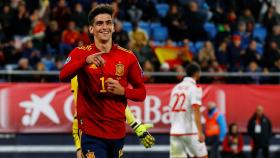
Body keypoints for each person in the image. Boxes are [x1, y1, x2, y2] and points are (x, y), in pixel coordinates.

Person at [60, 4, 154, 158]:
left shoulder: (128, 57)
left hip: (117, 133)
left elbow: (141, 93)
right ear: (91, 29)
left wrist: (123, 91)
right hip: (91, 132)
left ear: (113, 27)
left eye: (108, 22)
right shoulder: (80, 53)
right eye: (99, 23)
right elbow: (63, 75)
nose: (105, 27)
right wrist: (85, 61)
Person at [169, 63, 208, 158]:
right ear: (197, 74)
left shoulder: (175, 88)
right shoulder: (195, 88)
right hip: (190, 131)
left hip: (175, 132)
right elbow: (196, 110)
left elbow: (170, 109)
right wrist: (200, 131)